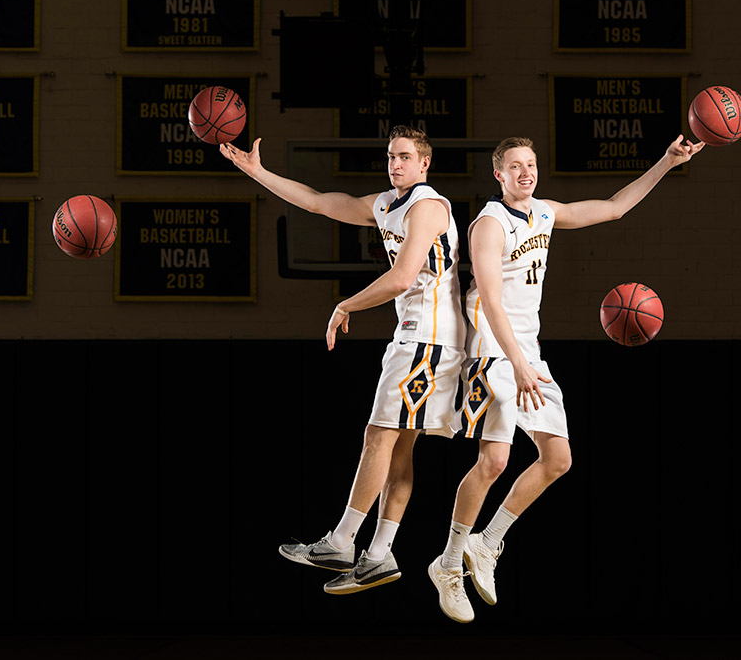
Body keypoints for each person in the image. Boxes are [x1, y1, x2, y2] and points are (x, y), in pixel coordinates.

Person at [428, 135, 704, 622]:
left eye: (530, 165)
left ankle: (486, 543)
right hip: (493, 348)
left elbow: (615, 207)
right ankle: (448, 564)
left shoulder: (544, 213)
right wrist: (514, 361)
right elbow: (490, 301)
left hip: (527, 350)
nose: (525, 173)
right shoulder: (489, 225)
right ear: (499, 175)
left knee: (557, 459)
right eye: (514, 167)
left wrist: (667, 160)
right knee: (493, 462)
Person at [221, 126, 467, 594]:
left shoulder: (429, 207)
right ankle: (378, 555)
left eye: (405, 157)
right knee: (398, 448)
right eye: (391, 156)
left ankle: (341, 541)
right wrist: (257, 172)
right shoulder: (386, 205)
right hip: (424, 339)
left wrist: (344, 305)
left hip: (427, 340)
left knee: (379, 437)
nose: (395, 164)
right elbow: (317, 200)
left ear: (424, 164)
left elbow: (401, 277)